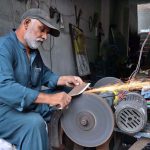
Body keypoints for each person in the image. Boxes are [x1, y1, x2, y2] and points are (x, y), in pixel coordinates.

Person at [0, 8, 83, 150]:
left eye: (47, 33)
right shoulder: (4, 47)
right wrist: (50, 99)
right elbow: (5, 87)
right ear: (26, 23)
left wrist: (63, 79)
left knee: (69, 92)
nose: (45, 36)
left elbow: (44, 74)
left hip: (26, 104)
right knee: (34, 124)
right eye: (42, 29)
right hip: (5, 109)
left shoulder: (33, 52)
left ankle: (64, 142)